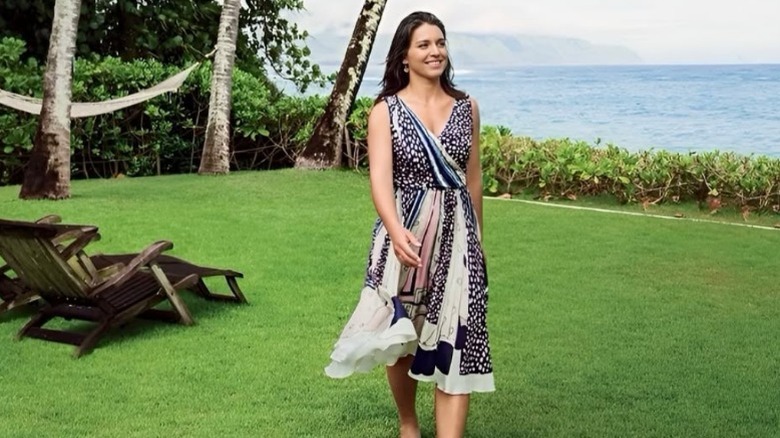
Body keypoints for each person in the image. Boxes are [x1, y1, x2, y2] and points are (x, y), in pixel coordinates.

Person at [325, 11, 494, 438]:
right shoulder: (386, 111)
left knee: (458, 335)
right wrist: (396, 229)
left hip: (458, 239)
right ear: (404, 56)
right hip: (407, 235)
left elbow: (472, 182)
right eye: (424, 44)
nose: (435, 51)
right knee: (402, 335)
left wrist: (479, 243)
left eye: (440, 42)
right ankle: (408, 424)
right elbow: (380, 181)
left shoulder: (466, 107)